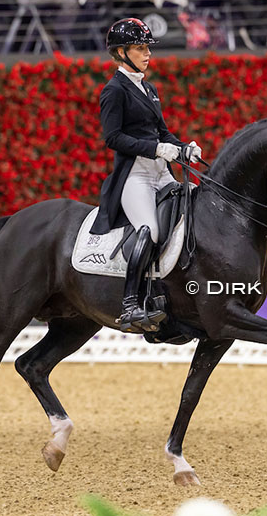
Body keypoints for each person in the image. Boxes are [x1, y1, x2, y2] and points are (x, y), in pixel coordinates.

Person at [89, 18, 202, 333]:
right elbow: (113, 138)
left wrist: (183, 148)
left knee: (195, 208)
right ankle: (130, 303)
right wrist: (155, 149)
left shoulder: (149, 88)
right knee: (149, 230)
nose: (147, 54)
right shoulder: (114, 90)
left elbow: (162, 132)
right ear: (121, 52)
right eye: (140, 48)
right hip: (135, 176)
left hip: (161, 172)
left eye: (147, 48)